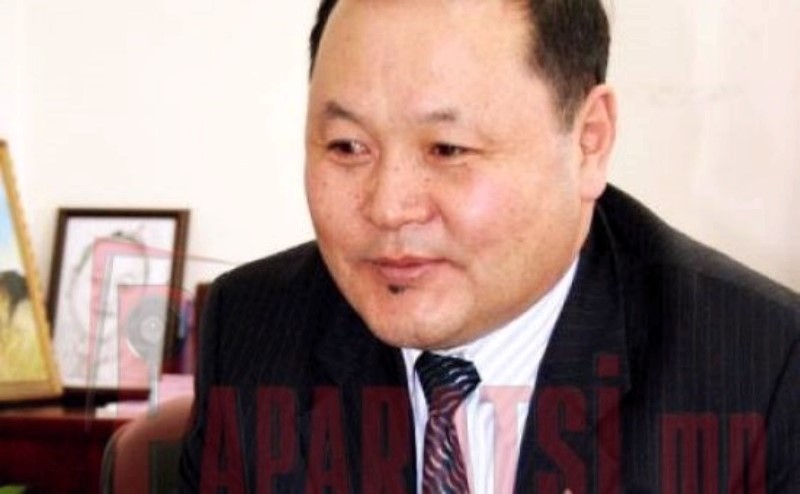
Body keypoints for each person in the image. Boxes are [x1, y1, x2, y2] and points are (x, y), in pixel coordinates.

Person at [180, 0, 800, 492]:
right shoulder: (254, 328)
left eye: (447, 150)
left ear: (588, 141)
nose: (389, 208)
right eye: (347, 147)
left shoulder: (761, 368)